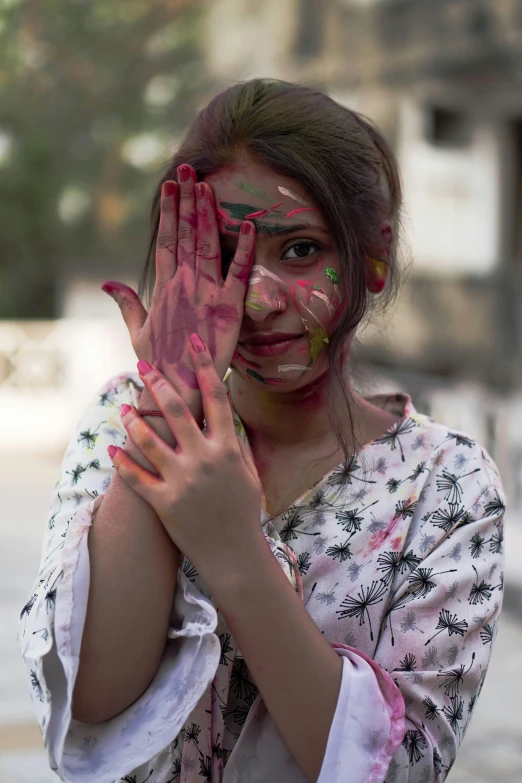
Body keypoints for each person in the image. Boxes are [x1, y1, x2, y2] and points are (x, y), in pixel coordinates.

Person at [19, 79, 505, 783]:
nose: (257, 296)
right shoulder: (128, 419)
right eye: (223, 254)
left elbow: (397, 768)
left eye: (301, 251)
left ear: (372, 255)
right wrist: (171, 409)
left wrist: (231, 544)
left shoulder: (444, 482)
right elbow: (92, 703)